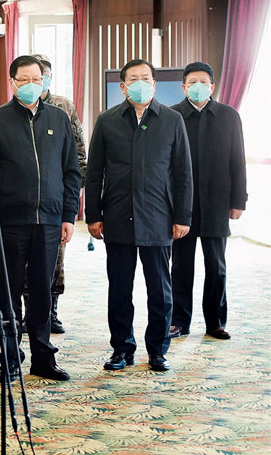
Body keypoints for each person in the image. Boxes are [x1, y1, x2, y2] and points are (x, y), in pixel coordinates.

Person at [86, 58, 193, 373]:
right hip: (118, 215)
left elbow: (183, 173)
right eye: (133, 79)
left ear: (154, 84)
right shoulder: (107, 120)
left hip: (159, 217)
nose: (140, 84)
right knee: (120, 289)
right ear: (123, 87)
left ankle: (158, 350)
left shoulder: (172, 120)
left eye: (146, 78)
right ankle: (122, 349)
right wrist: (93, 214)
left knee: (160, 290)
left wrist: (183, 217)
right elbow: (94, 172)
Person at [0, 55, 81, 383]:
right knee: (10, 291)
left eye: (36, 79)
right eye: (23, 79)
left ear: (44, 81)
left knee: (41, 291)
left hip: (50, 220)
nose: (30, 84)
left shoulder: (59, 119)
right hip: (10, 221)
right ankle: (10, 358)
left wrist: (68, 215)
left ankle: (43, 357)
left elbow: (71, 170)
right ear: (12, 82)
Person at [169, 61, 247, 340]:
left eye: (204, 82)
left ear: (212, 86)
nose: (198, 86)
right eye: (192, 82)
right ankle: (179, 321)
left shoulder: (229, 116)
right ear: (183, 87)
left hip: (217, 203)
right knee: (181, 266)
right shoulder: (172, 115)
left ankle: (215, 322)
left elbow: (238, 160)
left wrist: (238, 201)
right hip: (182, 206)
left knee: (216, 266)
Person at [19, 54, 88, 335]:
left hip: (55, 200)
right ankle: (27, 313)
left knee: (55, 260)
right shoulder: (11, 112)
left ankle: (52, 311)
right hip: (24, 204)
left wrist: (72, 195)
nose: (36, 82)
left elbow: (78, 153)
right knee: (24, 264)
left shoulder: (63, 108)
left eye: (42, 75)